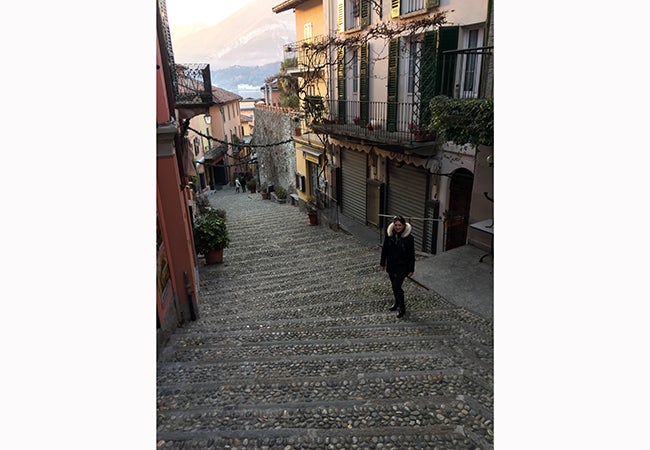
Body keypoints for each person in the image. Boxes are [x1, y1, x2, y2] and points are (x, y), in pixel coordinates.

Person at [380, 215, 415, 318]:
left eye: (400, 225)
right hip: (391, 265)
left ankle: (402, 307)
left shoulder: (409, 238)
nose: (397, 227)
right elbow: (384, 249)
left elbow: (411, 255)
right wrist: (382, 263)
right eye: (396, 225)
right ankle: (396, 303)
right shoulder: (389, 235)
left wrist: (411, 269)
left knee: (397, 286)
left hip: (402, 266)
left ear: (404, 225)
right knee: (394, 285)